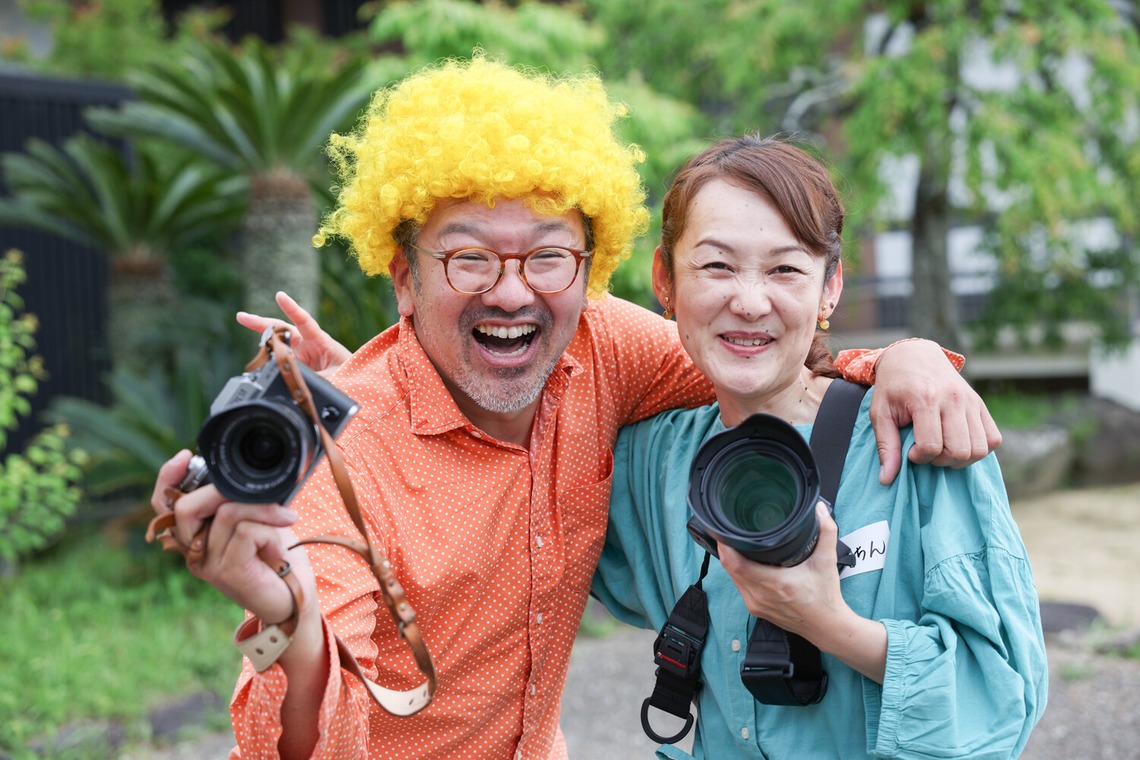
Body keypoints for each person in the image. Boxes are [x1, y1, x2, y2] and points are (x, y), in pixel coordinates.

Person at [150, 58, 1000, 760]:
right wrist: (288, 620)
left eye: (548, 255)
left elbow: (754, 354)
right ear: (403, 278)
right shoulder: (346, 459)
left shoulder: (602, 346)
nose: (513, 291)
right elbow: (304, 746)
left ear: (591, 268)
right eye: (469, 258)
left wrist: (904, 361)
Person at [591, 135, 1047, 759]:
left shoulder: (918, 438)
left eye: (785, 269)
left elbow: (1003, 698)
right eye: (716, 266)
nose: (749, 302)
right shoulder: (654, 461)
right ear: (664, 281)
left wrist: (830, 624)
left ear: (830, 287)